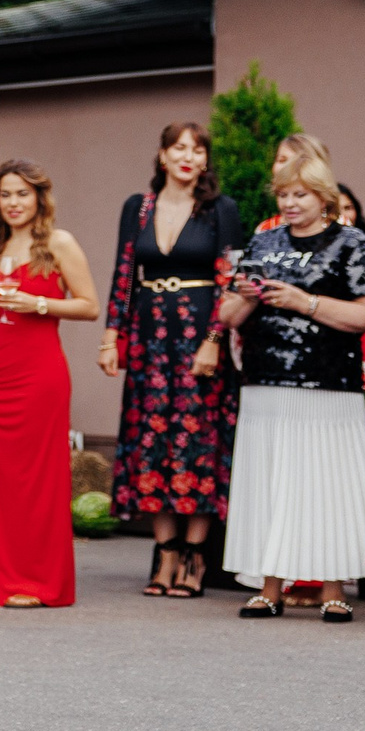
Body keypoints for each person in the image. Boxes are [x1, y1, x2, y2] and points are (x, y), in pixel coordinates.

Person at [216, 147, 365, 621]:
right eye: (284, 194)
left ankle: (333, 588)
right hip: (266, 378)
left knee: (324, 484)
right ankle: (270, 586)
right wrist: (246, 297)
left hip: (329, 382)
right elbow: (227, 315)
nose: (289, 203)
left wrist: (302, 302)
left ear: (324, 196)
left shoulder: (351, 243)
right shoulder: (263, 242)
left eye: (300, 194)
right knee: (269, 482)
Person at [101, 122, 244, 600]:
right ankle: (163, 552)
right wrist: (110, 337)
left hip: (198, 333)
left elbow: (229, 278)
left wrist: (214, 339)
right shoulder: (136, 206)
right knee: (151, 439)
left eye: (198, 149)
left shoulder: (221, 210)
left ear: (205, 160)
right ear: (162, 156)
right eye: (179, 147)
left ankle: (194, 556)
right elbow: (125, 272)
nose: (188, 156)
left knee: (197, 440)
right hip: (147, 338)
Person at [0, 160, 98, 608]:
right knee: (1, 479)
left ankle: (37, 582)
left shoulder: (58, 242)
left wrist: (39, 303)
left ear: (39, 198)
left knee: (38, 478)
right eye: (5, 195)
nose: (13, 203)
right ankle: (2, 577)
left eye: (22, 194)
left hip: (39, 372)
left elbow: (89, 307)